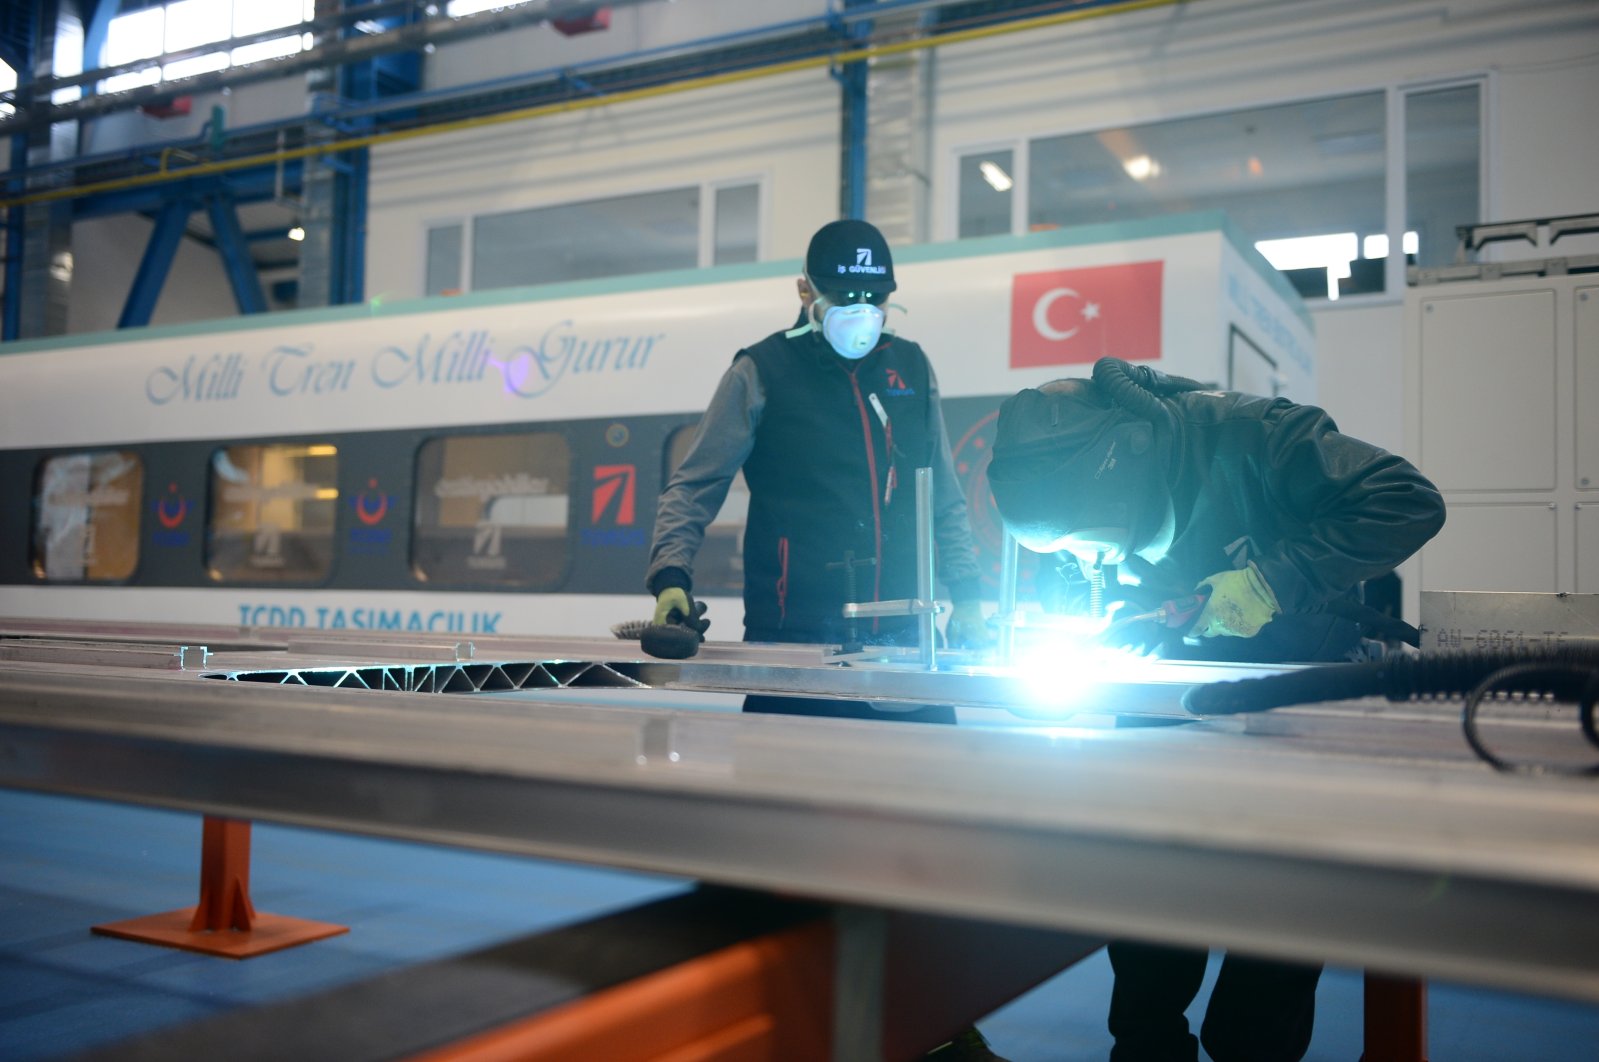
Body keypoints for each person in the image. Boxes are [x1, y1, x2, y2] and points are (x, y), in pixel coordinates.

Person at [985, 356, 1447, 1062]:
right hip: (1172, 703)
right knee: (1145, 947)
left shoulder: (1254, 436)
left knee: (1268, 954)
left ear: (1124, 474)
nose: (1086, 559)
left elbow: (1408, 498)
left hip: (1292, 701)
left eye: (1088, 546)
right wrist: (1119, 611)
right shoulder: (1078, 486)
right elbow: (1094, 570)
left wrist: (1270, 580)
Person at [646, 218, 991, 723]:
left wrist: (969, 598)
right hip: (792, 640)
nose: (862, 314)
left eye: (876, 300)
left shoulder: (911, 368)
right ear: (804, 289)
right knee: (789, 791)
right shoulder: (761, 371)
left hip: (908, 642)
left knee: (921, 793)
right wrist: (670, 576)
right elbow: (696, 483)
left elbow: (942, 491)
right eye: (845, 297)